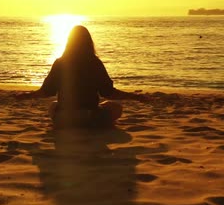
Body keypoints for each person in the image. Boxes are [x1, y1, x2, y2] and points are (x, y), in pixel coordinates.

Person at [17, 25, 149, 128]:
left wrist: (27, 95)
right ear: (88, 42)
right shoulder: (94, 62)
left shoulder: (60, 62)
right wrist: (134, 96)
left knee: (53, 106)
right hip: (89, 116)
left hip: (64, 118)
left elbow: (46, 91)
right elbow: (109, 92)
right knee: (116, 108)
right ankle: (97, 126)